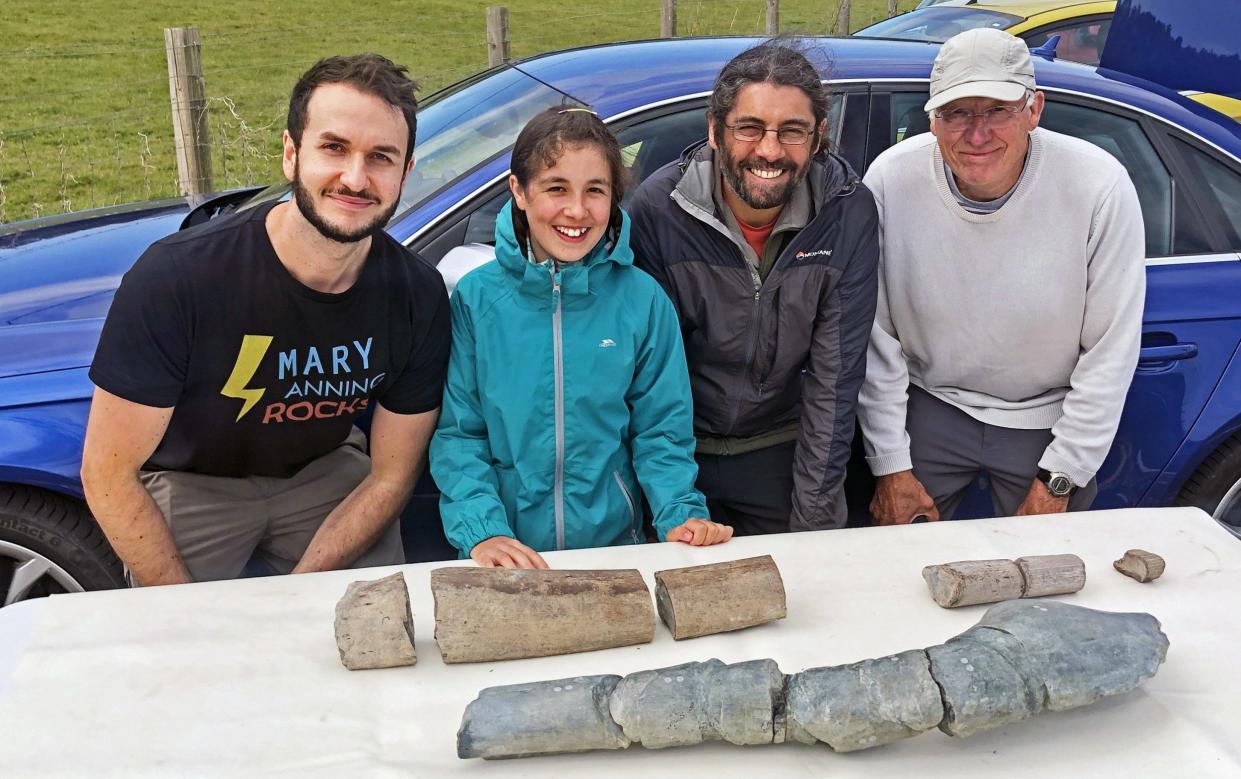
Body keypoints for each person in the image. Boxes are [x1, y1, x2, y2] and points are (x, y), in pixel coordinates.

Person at [80, 54, 451, 586]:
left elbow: (392, 476)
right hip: (193, 481)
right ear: (290, 153)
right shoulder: (179, 277)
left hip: (325, 471)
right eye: (334, 148)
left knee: (372, 629)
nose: (355, 176)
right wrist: (186, 612)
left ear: (405, 173)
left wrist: (296, 597)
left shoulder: (417, 294)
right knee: (181, 651)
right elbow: (107, 474)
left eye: (381, 157)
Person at [858, 28, 1145, 523]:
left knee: (1046, 573)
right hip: (930, 404)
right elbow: (872, 336)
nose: (976, 134)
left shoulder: (1098, 185)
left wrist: (1062, 475)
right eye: (956, 113)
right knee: (895, 563)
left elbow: (1110, 351)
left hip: (1047, 414)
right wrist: (890, 466)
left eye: (997, 110)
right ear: (931, 120)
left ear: (1034, 110)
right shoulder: (890, 180)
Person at [430, 107, 732, 570]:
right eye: (556, 188)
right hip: (503, 560)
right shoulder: (476, 300)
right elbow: (459, 435)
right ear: (519, 191)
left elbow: (661, 433)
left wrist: (681, 514)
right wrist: (482, 531)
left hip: (614, 555)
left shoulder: (643, 301)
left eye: (595, 190)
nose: (576, 210)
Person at [629, 39, 880, 536]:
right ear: (715, 131)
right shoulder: (660, 209)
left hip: (782, 453)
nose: (769, 150)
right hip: (673, 457)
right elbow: (649, 378)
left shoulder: (847, 212)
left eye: (792, 131)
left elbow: (835, 382)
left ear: (819, 136)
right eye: (749, 128)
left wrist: (810, 524)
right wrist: (673, 502)